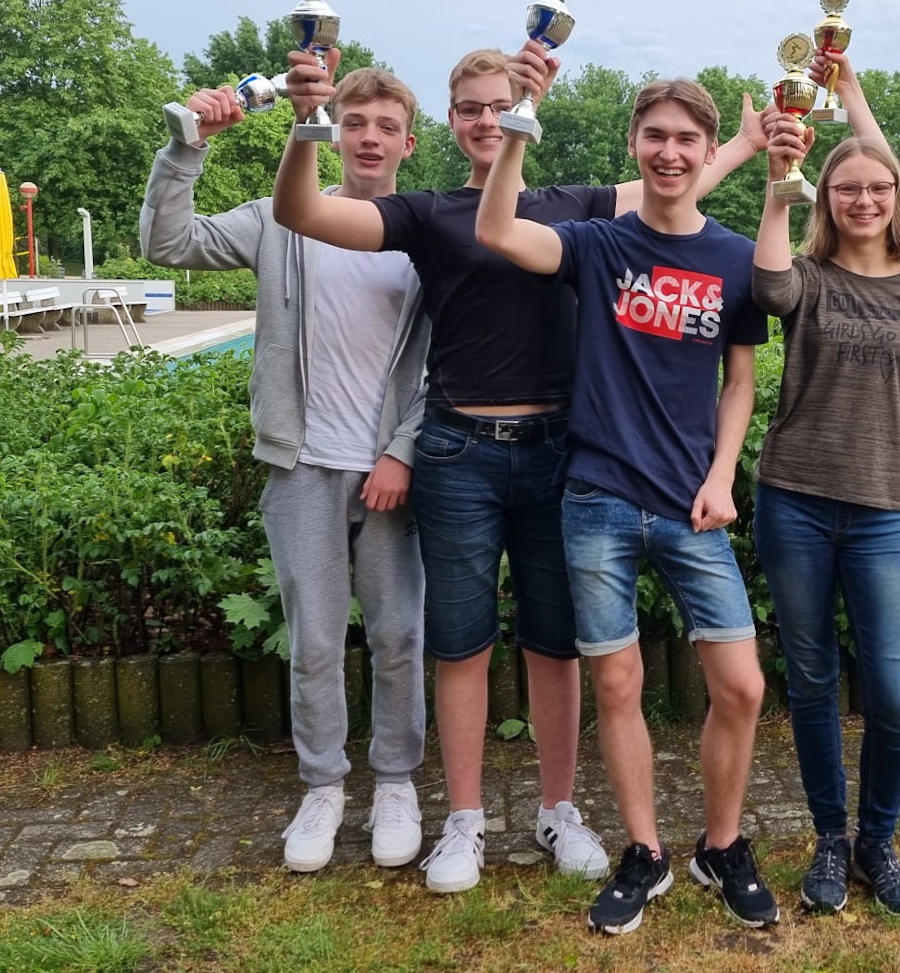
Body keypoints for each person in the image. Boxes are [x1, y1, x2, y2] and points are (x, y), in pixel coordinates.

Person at [274, 43, 774, 894]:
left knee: (554, 645)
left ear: (526, 107)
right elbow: (304, 215)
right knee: (461, 643)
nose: (485, 119)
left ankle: (558, 809)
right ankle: (464, 820)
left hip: (560, 456)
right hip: (457, 452)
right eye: (471, 107)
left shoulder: (572, 207)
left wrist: (749, 144)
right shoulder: (426, 211)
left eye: (500, 105)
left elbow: (673, 185)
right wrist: (303, 125)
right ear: (451, 117)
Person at [475, 77, 776, 935]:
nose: (670, 153)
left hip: (693, 507)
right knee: (617, 680)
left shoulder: (733, 259)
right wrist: (517, 130)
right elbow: (497, 230)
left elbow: (741, 383)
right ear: (635, 143)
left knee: (743, 686)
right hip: (597, 499)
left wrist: (723, 478)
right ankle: (645, 854)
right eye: (655, 136)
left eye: (687, 138)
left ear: (707, 148)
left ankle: (722, 846)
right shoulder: (599, 244)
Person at [141, 66, 429, 874]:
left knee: (400, 634)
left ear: (409, 140)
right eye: (355, 120)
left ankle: (397, 781)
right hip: (300, 464)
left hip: (389, 473)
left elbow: (446, 359)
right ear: (334, 129)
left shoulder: (425, 230)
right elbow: (168, 243)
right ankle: (324, 786)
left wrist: (402, 448)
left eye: (385, 123)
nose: (369, 135)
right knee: (312, 641)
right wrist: (182, 151)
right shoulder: (279, 218)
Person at [751, 75, 900, 918]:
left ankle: (878, 840)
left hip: (881, 512)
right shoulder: (806, 275)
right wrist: (775, 190)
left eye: (877, 188)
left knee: (896, 695)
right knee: (810, 679)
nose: (864, 199)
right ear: (827, 200)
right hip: (794, 498)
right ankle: (830, 839)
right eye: (847, 189)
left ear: (894, 196)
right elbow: (764, 292)